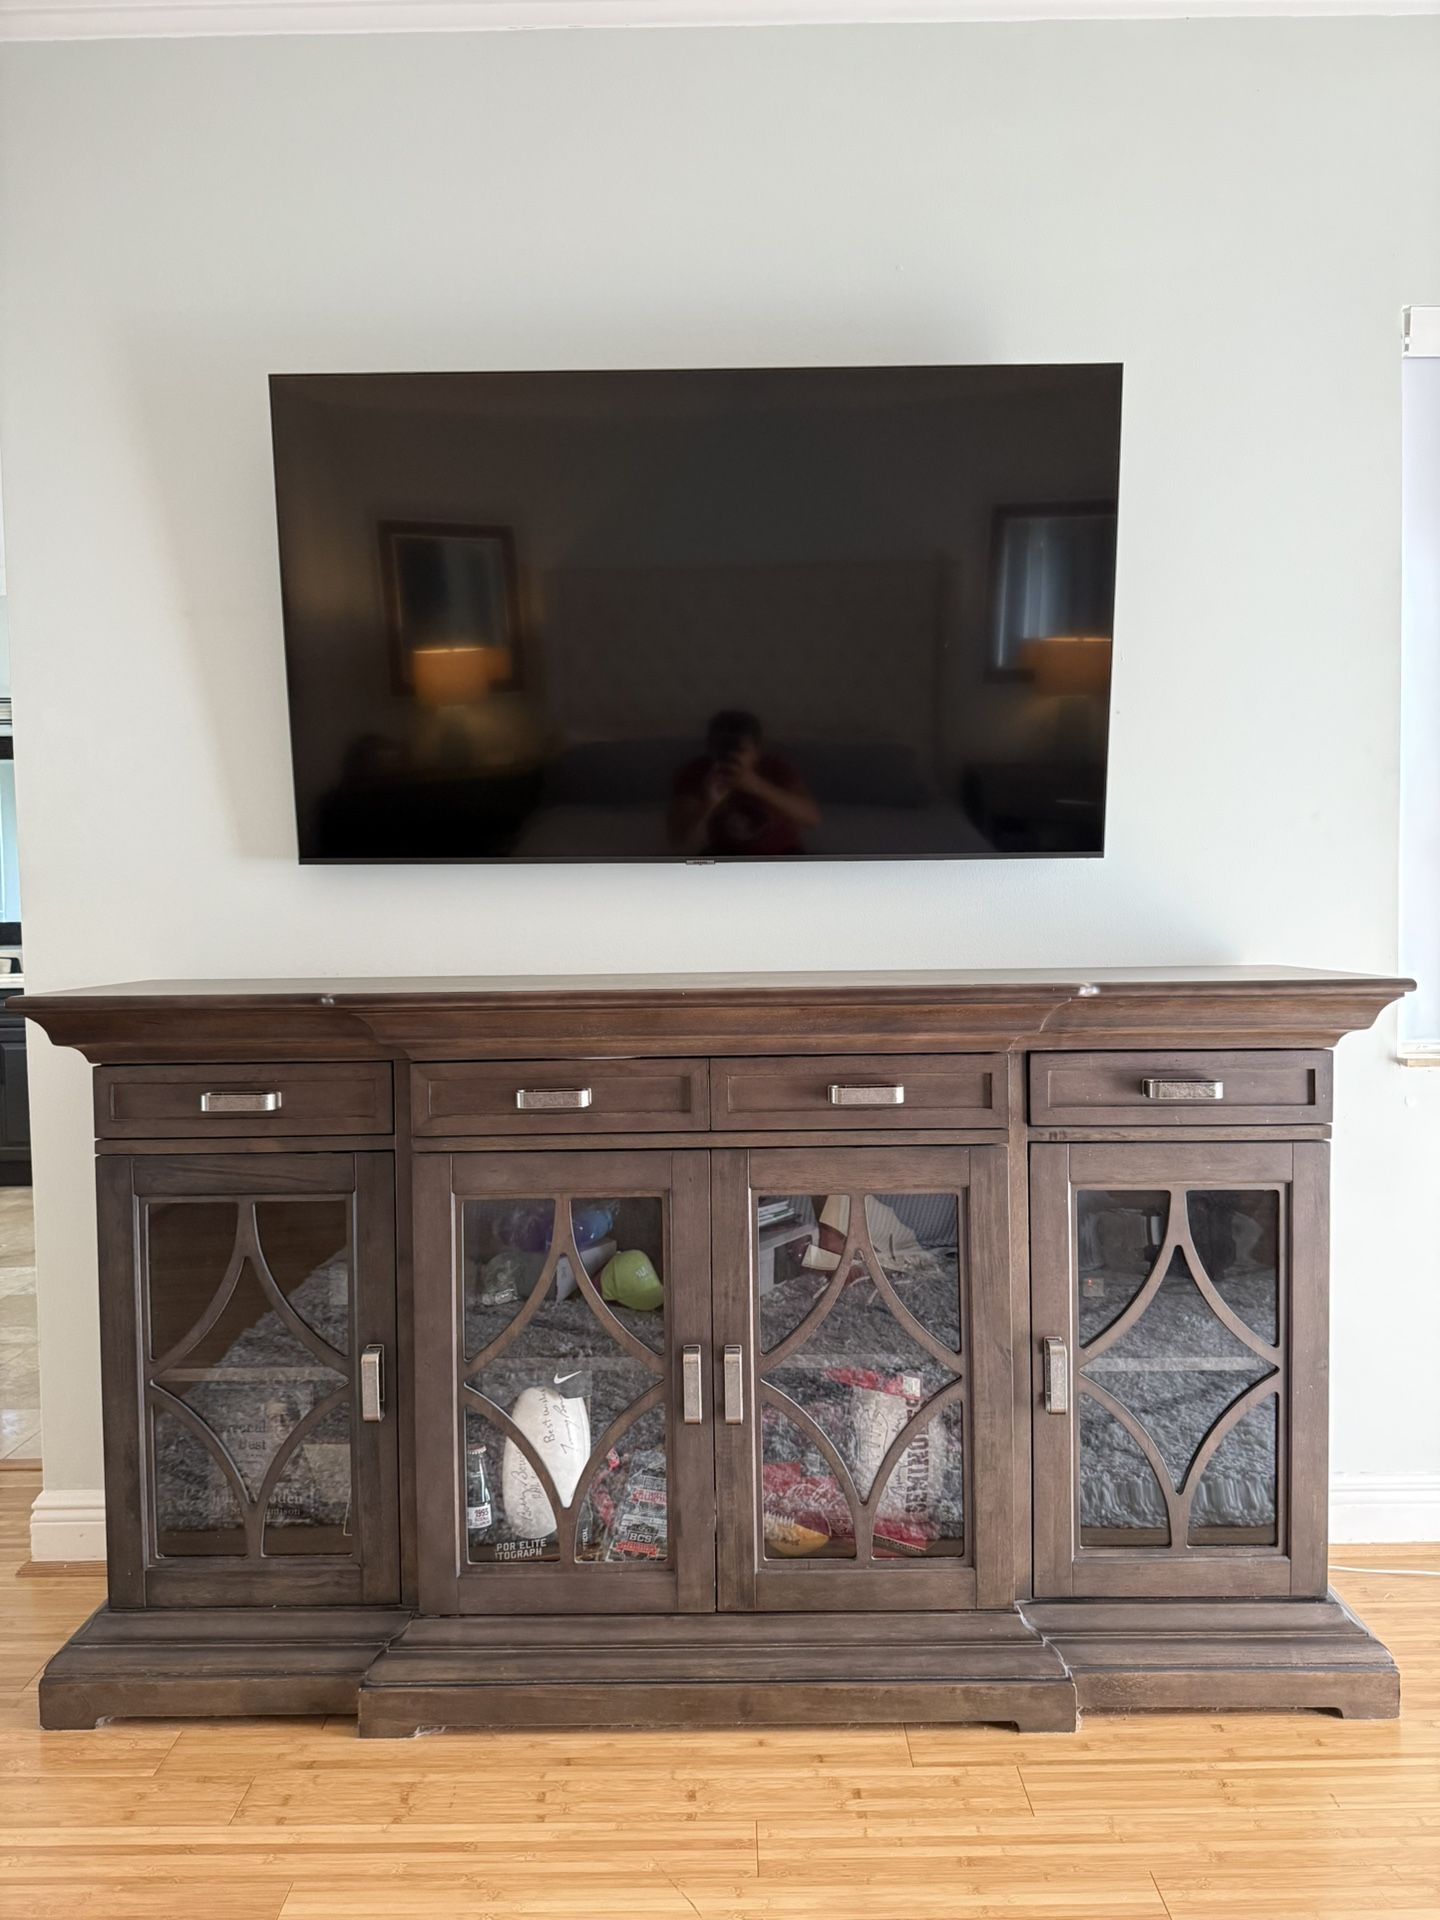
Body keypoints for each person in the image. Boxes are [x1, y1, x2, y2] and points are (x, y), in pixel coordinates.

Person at [668, 710, 820, 856]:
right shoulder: (697, 772)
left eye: (739, 750)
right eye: (721, 749)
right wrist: (709, 804)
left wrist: (757, 785)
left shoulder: (775, 768)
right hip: (722, 858)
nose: (729, 757)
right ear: (709, 748)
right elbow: (681, 843)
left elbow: (812, 818)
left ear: (757, 751)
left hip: (781, 856)